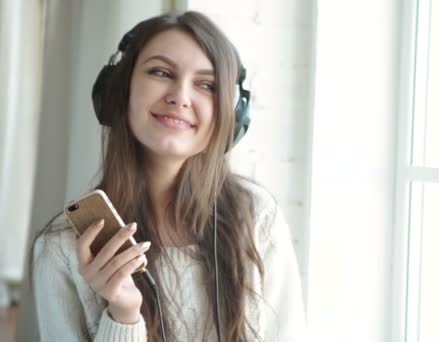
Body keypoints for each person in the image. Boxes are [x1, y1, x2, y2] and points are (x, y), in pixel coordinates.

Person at [31, 10, 306, 342]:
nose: (181, 96)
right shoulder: (62, 249)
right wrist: (123, 315)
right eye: (161, 72)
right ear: (120, 92)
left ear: (231, 118)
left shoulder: (258, 220)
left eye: (206, 84)